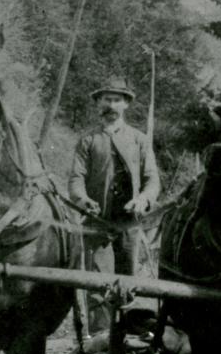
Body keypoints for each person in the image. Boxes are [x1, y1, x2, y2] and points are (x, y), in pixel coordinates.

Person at [68, 79, 162, 278]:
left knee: (127, 282)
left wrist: (142, 200)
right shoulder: (88, 140)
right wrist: (83, 200)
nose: (111, 105)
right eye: (106, 100)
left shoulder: (139, 140)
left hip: (129, 223)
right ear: (98, 103)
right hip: (96, 221)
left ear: (126, 103)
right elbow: (77, 178)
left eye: (117, 100)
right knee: (96, 281)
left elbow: (152, 179)